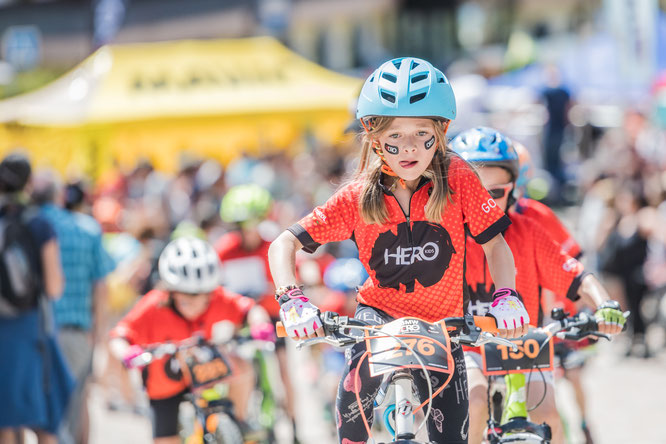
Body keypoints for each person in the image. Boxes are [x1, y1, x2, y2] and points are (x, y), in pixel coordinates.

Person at [268, 57, 530, 444]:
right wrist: (292, 300)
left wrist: (506, 296)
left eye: (421, 133)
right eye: (395, 136)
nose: (408, 148)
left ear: (441, 133)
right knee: (351, 424)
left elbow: (495, 243)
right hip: (377, 319)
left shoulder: (459, 177)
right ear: (373, 137)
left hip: (445, 324)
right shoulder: (358, 194)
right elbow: (283, 243)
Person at [449, 127, 626, 444]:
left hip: (524, 341)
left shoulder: (528, 230)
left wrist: (604, 305)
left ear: (514, 189)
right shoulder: (442, 236)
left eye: (495, 193)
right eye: (472, 193)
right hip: (467, 345)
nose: (483, 205)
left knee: (547, 415)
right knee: (473, 402)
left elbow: (575, 274)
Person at [109, 236, 273, 444]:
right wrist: (126, 352)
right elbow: (119, 335)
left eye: (202, 296)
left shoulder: (216, 297)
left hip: (203, 370)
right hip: (165, 384)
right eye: (186, 298)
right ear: (170, 291)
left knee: (243, 366)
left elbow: (249, 309)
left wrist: (260, 325)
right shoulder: (153, 306)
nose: (195, 304)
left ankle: (236, 422)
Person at [32, 174, 116, 444]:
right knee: (78, 403)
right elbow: (101, 287)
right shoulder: (89, 229)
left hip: (35, 331)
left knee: (44, 410)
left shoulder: (36, 225)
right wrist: (99, 332)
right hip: (78, 332)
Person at [0, 154, 72, 444]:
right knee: (45, 420)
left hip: (3, 330)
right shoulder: (39, 224)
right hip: (32, 329)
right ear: (30, 182)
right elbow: (54, 287)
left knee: (5, 418)